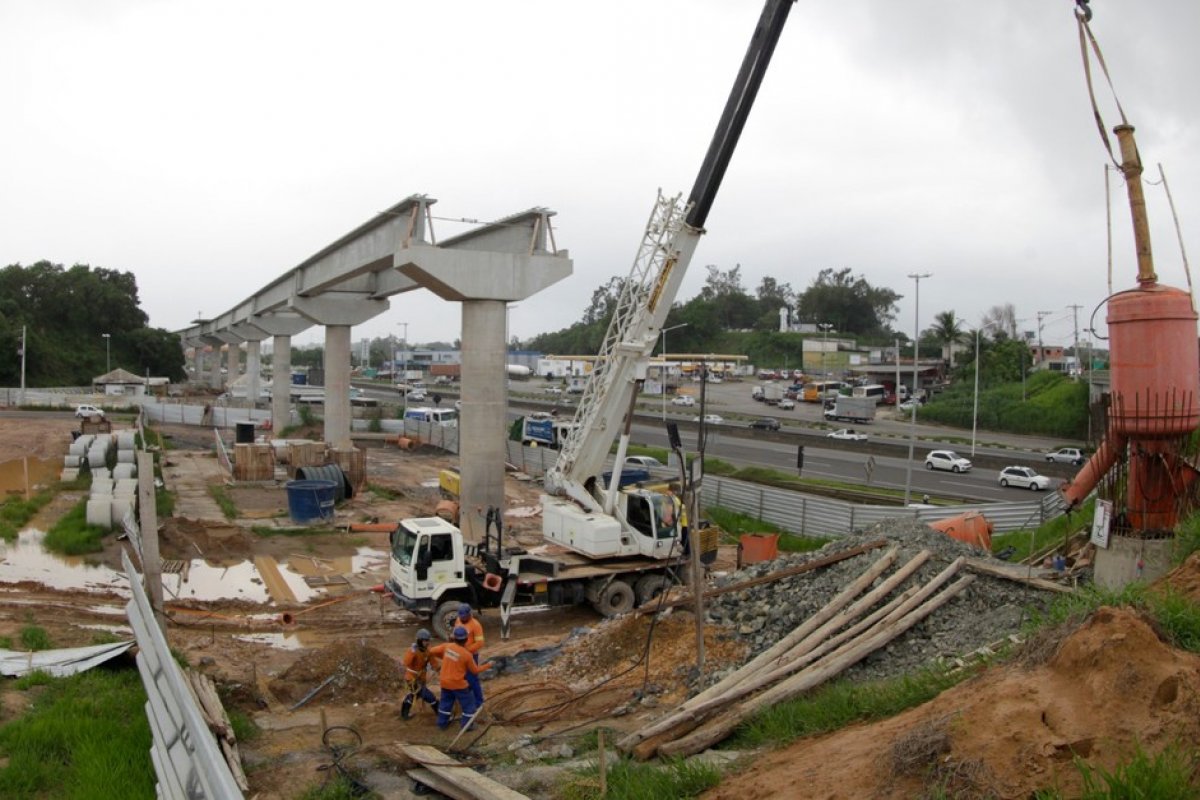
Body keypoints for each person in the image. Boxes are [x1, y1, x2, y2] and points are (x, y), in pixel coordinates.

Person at [429, 626, 492, 730]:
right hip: (458, 685)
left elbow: (431, 651)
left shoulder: (446, 647)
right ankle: (467, 726)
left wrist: (445, 658)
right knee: (469, 705)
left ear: (454, 638)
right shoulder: (467, 655)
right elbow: (475, 671)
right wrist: (488, 665)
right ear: (466, 639)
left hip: (444, 682)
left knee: (445, 703)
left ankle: (442, 724)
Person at [399, 628, 439, 720]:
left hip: (421, 678)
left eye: (428, 640)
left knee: (413, 696)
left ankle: (404, 715)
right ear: (420, 641)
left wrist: (438, 669)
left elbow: (434, 662)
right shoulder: (412, 651)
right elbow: (406, 662)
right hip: (412, 678)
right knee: (430, 697)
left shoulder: (428, 650)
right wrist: (412, 652)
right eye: (425, 640)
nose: (427, 642)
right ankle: (441, 715)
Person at [456, 603, 486, 708]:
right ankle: (467, 698)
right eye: (460, 616)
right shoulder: (458, 621)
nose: (462, 618)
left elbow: (480, 643)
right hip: (459, 655)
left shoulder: (475, 625)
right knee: (462, 678)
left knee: (472, 679)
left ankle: (479, 702)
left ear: (469, 614)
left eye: (464, 616)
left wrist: (466, 650)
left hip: (471, 656)